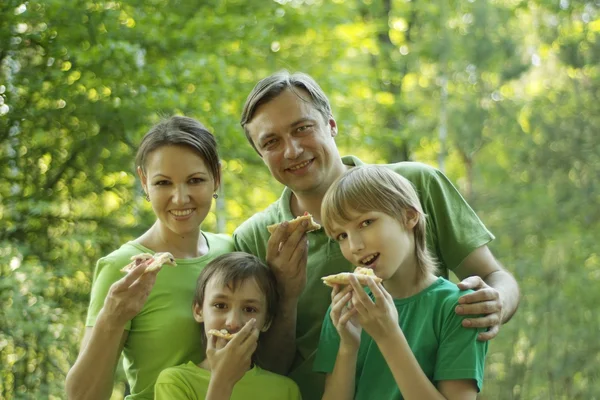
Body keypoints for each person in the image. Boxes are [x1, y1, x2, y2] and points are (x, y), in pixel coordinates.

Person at [232, 71, 519, 399]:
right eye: (271, 142)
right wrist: (285, 296)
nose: (292, 150)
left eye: (302, 128)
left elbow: (494, 276)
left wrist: (498, 302)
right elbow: (263, 369)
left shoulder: (414, 186)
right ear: (260, 155)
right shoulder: (253, 239)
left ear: (331, 124)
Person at [65, 116, 235, 400]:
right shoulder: (124, 269)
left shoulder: (231, 251)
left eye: (195, 180)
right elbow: (81, 396)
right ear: (144, 182)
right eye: (163, 183)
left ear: (216, 178)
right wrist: (111, 318)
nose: (180, 198)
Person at [315, 165, 488, 399]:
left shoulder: (459, 308)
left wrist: (388, 336)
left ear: (409, 216)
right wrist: (348, 347)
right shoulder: (346, 309)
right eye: (341, 236)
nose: (354, 246)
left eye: (365, 223)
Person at [154, 252, 302, 400]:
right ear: (199, 311)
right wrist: (222, 381)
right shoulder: (175, 383)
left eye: (249, 309)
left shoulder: (285, 391)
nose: (233, 322)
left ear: (267, 321)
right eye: (220, 305)